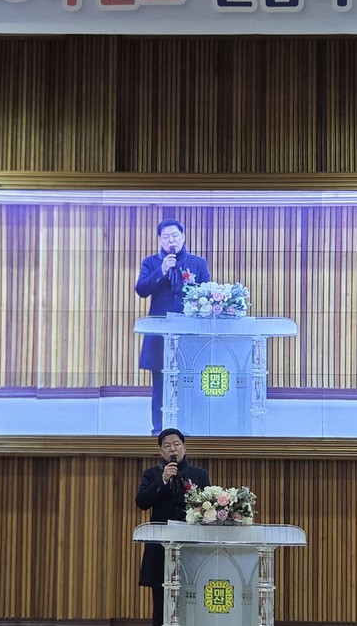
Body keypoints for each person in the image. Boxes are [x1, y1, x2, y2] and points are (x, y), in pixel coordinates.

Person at [135, 218, 210, 435]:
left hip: (189, 334)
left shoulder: (198, 263)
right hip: (160, 334)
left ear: (183, 237)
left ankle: (188, 428)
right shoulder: (151, 263)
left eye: (175, 236)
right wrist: (161, 270)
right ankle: (158, 430)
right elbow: (141, 290)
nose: (171, 240)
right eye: (166, 237)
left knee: (189, 382)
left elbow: (207, 292)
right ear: (160, 240)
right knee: (160, 384)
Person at [136, 428, 210, 626]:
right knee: (161, 604)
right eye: (167, 446)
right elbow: (142, 502)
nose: (172, 449)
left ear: (184, 447)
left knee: (192, 599)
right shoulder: (152, 474)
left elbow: (206, 509)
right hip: (161, 549)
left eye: (176, 444)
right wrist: (163, 480)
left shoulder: (199, 475)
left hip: (191, 548)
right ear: (161, 452)